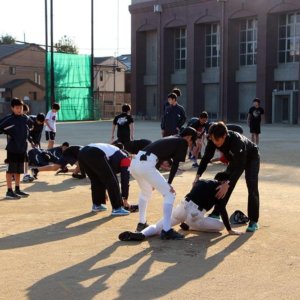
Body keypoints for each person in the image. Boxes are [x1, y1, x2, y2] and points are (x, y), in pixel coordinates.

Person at [119, 172, 243, 241]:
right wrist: (229, 229)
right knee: (220, 225)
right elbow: (222, 210)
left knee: (158, 226)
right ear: (223, 182)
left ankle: (142, 234)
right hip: (195, 215)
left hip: (182, 207)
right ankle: (189, 226)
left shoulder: (203, 181)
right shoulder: (220, 189)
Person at [129, 127, 197, 240]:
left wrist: (154, 181)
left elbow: (159, 157)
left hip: (134, 164)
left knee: (146, 192)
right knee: (170, 194)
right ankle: (166, 230)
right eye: (191, 141)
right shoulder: (182, 141)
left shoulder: (171, 138)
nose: (190, 144)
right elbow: (175, 164)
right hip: (146, 165)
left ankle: (141, 223)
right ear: (189, 137)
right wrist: (169, 184)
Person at [193, 121, 260, 232]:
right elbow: (206, 158)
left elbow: (240, 166)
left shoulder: (236, 141)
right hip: (235, 159)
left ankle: (253, 221)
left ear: (224, 135)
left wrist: (228, 183)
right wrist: (197, 176)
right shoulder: (213, 138)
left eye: (217, 140)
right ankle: (216, 212)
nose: (215, 142)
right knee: (222, 183)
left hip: (251, 157)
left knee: (251, 186)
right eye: (212, 139)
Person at [78, 143, 131, 216]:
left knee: (96, 180)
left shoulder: (114, 154)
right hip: (95, 152)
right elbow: (125, 179)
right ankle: (117, 208)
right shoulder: (126, 158)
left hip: (82, 152)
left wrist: (103, 192)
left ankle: (97, 205)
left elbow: (103, 175)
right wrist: (125, 198)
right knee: (112, 180)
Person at [0, 98, 31, 199]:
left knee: (19, 170)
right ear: (12, 108)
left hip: (22, 149)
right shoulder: (8, 119)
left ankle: (17, 189)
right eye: (17, 108)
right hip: (12, 149)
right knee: (10, 170)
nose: (19, 109)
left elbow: (30, 128)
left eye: (21, 107)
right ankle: (9, 191)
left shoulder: (26, 118)